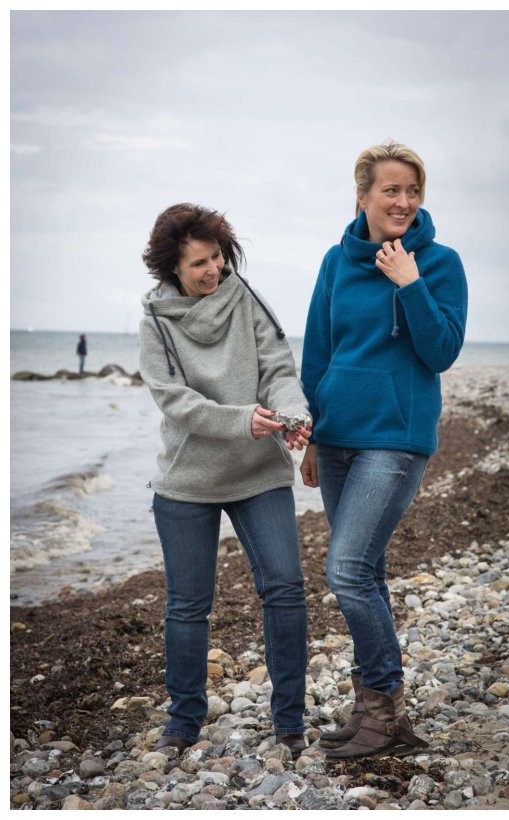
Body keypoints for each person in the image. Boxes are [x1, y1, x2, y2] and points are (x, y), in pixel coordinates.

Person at [300, 140, 468, 760]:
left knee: (344, 569)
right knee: (364, 571)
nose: (402, 202)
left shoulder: (441, 262)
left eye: (412, 191)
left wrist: (410, 283)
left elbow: (442, 352)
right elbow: (318, 350)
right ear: (363, 197)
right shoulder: (335, 262)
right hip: (339, 437)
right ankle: (377, 714)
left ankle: (383, 699)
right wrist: (315, 432)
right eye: (390, 190)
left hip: (396, 439)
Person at [139, 203, 312, 758]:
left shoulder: (247, 299)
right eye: (198, 264)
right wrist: (241, 420)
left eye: (216, 257)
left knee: (285, 588)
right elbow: (175, 401)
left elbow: (278, 370)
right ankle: (183, 722)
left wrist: (292, 414)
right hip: (187, 480)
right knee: (188, 607)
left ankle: (289, 722)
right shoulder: (155, 323)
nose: (212, 270)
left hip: (258, 472)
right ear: (173, 270)